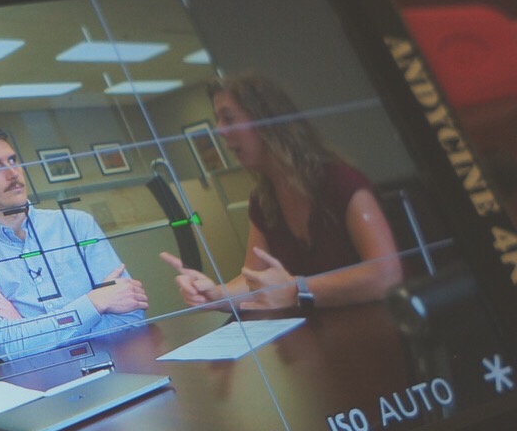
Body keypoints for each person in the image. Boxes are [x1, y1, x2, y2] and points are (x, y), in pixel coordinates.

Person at [162, 72, 403, 311]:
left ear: (267, 121)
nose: (220, 130)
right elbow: (253, 280)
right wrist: (215, 294)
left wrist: (298, 289)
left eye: (229, 118)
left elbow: (386, 275)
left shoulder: (340, 181)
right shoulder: (262, 200)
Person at [0, 121, 148, 359]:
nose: (13, 173)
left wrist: (29, 331)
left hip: (119, 368)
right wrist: (95, 302)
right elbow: (10, 348)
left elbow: (131, 318)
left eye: (13, 160)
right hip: (47, 383)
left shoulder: (78, 225)